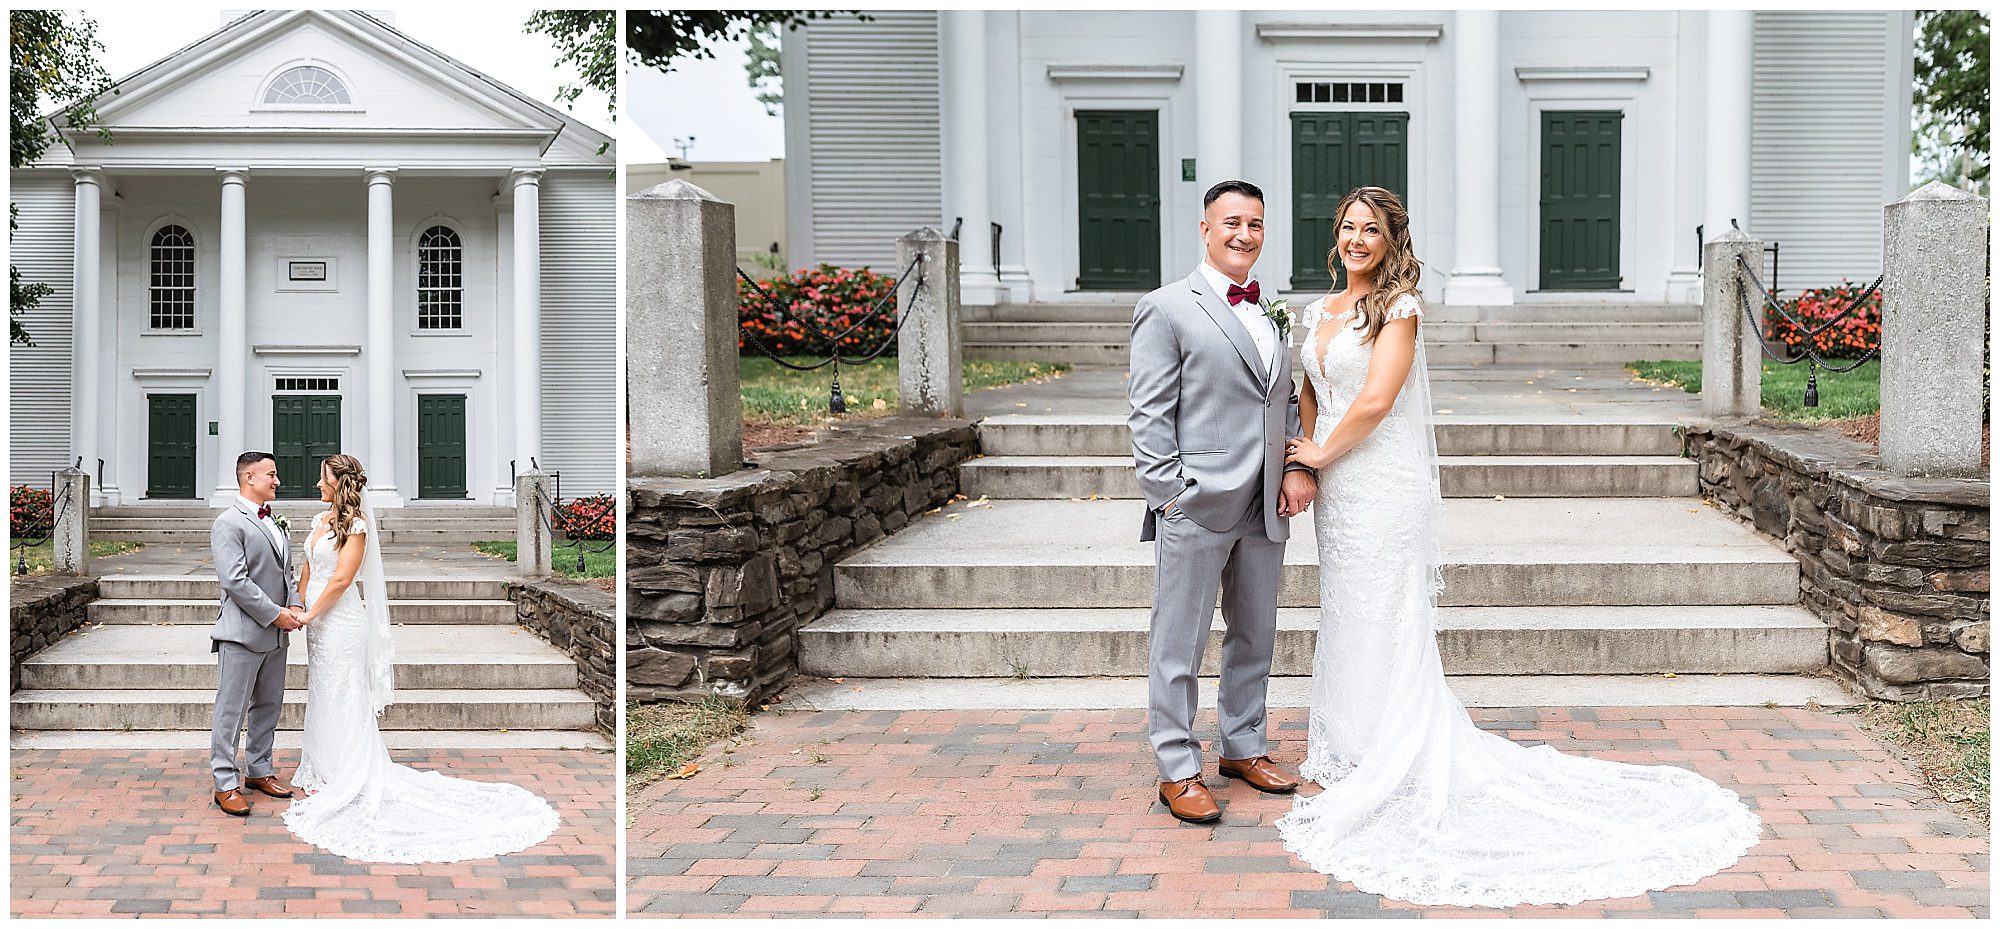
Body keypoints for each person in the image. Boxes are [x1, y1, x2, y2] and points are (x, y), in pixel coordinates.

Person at [1275, 186, 1760, 907]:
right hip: (1339, 488)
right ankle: (1352, 742)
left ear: (1390, 239)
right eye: (1347, 227)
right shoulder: (1315, 312)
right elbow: (1311, 391)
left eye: (1370, 229)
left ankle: (1396, 749)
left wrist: (1316, 456)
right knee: (1349, 608)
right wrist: (1305, 458)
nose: (1355, 239)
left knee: (1388, 607)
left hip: (1381, 477)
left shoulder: (1399, 309)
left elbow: (1376, 401)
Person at [1127, 179, 1318, 824]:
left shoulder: (1271, 312)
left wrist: (1294, 466)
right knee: (1179, 639)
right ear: (1206, 230)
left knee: (1255, 632)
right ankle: (1177, 766)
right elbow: (1149, 412)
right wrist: (1171, 494)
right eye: (1232, 222)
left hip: (1266, 501)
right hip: (1197, 501)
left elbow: (1283, 398)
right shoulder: (1168, 307)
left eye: (1257, 224)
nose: (1245, 234)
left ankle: (1243, 744)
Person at [282, 454, 560, 863]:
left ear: (340, 483)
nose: (316, 483)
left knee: (345, 693)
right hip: (317, 625)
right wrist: (298, 605)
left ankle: (349, 773)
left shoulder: (356, 527)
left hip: (339, 621)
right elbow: (309, 567)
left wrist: (311, 612)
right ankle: (324, 767)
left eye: (322, 478)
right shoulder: (319, 522)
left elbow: (342, 579)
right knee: (323, 691)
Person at [208, 451, 305, 816]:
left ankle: (259, 770)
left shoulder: (277, 523)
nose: (277, 481)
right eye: (271, 474)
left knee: (269, 706)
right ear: (249, 477)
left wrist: (294, 605)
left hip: (278, 634)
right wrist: (275, 614)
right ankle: (225, 782)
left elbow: (287, 573)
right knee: (231, 710)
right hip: (243, 633)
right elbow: (234, 581)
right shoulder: (228, 523)